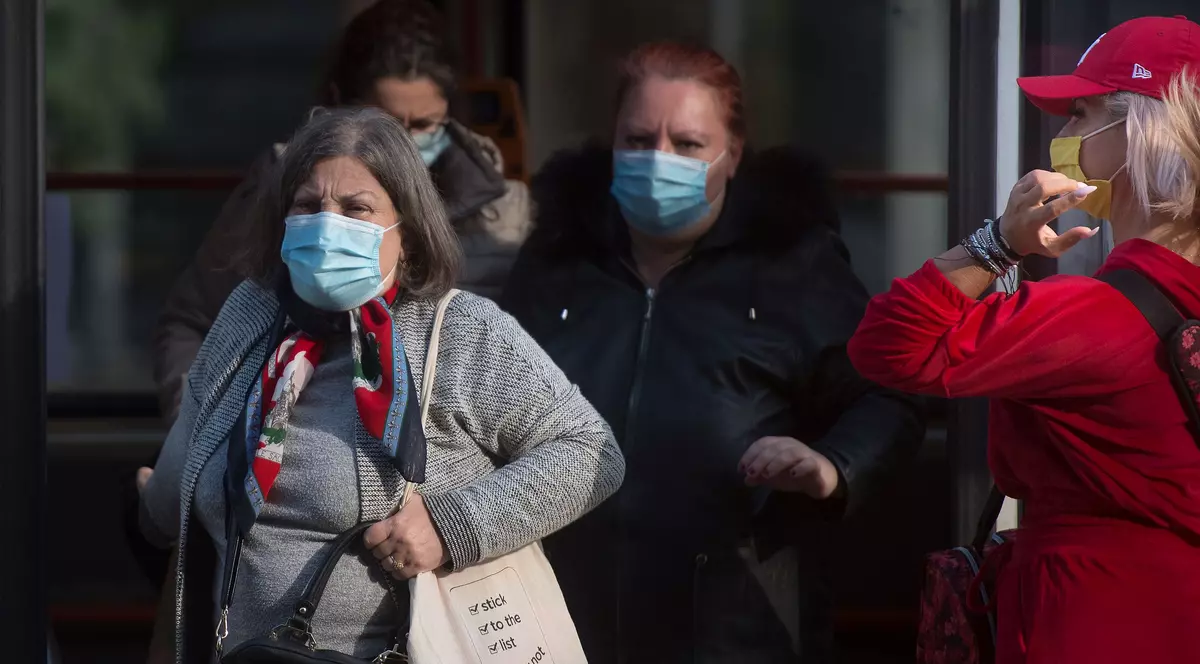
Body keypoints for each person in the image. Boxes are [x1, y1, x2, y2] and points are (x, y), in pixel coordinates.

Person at [138, 107, 625, 661]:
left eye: (355, 208)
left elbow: (591, 452)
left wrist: (453, 526)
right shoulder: (250, 315)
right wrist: (153, 508)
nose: (327, 225)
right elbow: (188, 456)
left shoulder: (464, 333)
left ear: (409, 234)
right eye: (307, 205)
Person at [501, 41, 926, 663]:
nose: (658, 159)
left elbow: (888, 394)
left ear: (732, 156)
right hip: (562, 619)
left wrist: (832, 466)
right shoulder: (558, 260)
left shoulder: (792, 265)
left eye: (688, 144)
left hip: (735, 628)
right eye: (639, 139)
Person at [846, 16, 1200, 664]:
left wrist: (997, 243)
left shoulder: (1098, 316)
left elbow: (889, 345)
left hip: (1089, 617)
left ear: (1141, 133)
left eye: (1081, 114)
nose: (1061, 136)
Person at [152, 0, 531, 423]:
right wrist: (199, 444)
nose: (401, 148)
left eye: (423, 126)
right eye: (383, 124)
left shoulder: (505, 213)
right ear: (338, 106)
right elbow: (193, 325)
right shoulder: (284, 190)